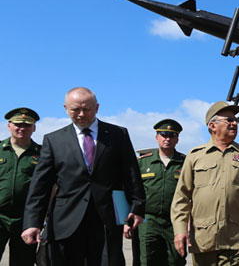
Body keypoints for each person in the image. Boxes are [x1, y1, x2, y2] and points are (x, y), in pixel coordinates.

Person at [21, 87, 146, 266]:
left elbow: (131, 174)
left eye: (86, 109)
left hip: (106, 220)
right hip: (65, 221)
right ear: (65, 108)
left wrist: (137, 207)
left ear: (97, 107)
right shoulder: (54, 140)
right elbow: (40, 185)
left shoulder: (118, 134)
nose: (81, 114)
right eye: (75, 110)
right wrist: (33, 222)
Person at [171, 101, 239, 266]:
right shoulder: (196, 156)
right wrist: (180, 230)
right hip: (204, 237)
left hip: (235, 236)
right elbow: (181, 197)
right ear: (212, 125)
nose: (234, 123)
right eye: (229, 120)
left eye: (235, 120)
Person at [136, 119, 187, 266]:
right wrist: (127, 221)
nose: (167, 139)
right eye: (163, 135)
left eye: (171, 136)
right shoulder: (143, 162)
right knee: (148, 259)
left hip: (175, 221)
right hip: (148, 219)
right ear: (156, 137)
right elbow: (132, 191)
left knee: (176, 259)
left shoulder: (185, 162)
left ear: (177, 139)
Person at [0, 108, 41, 266]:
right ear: (9, 126)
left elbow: (51, 187)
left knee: (23, 262)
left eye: (27, 125)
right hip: (0, 215)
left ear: (34, 128)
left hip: (26, 219)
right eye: (17, 124)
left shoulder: (43, 153)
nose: (22, 128)